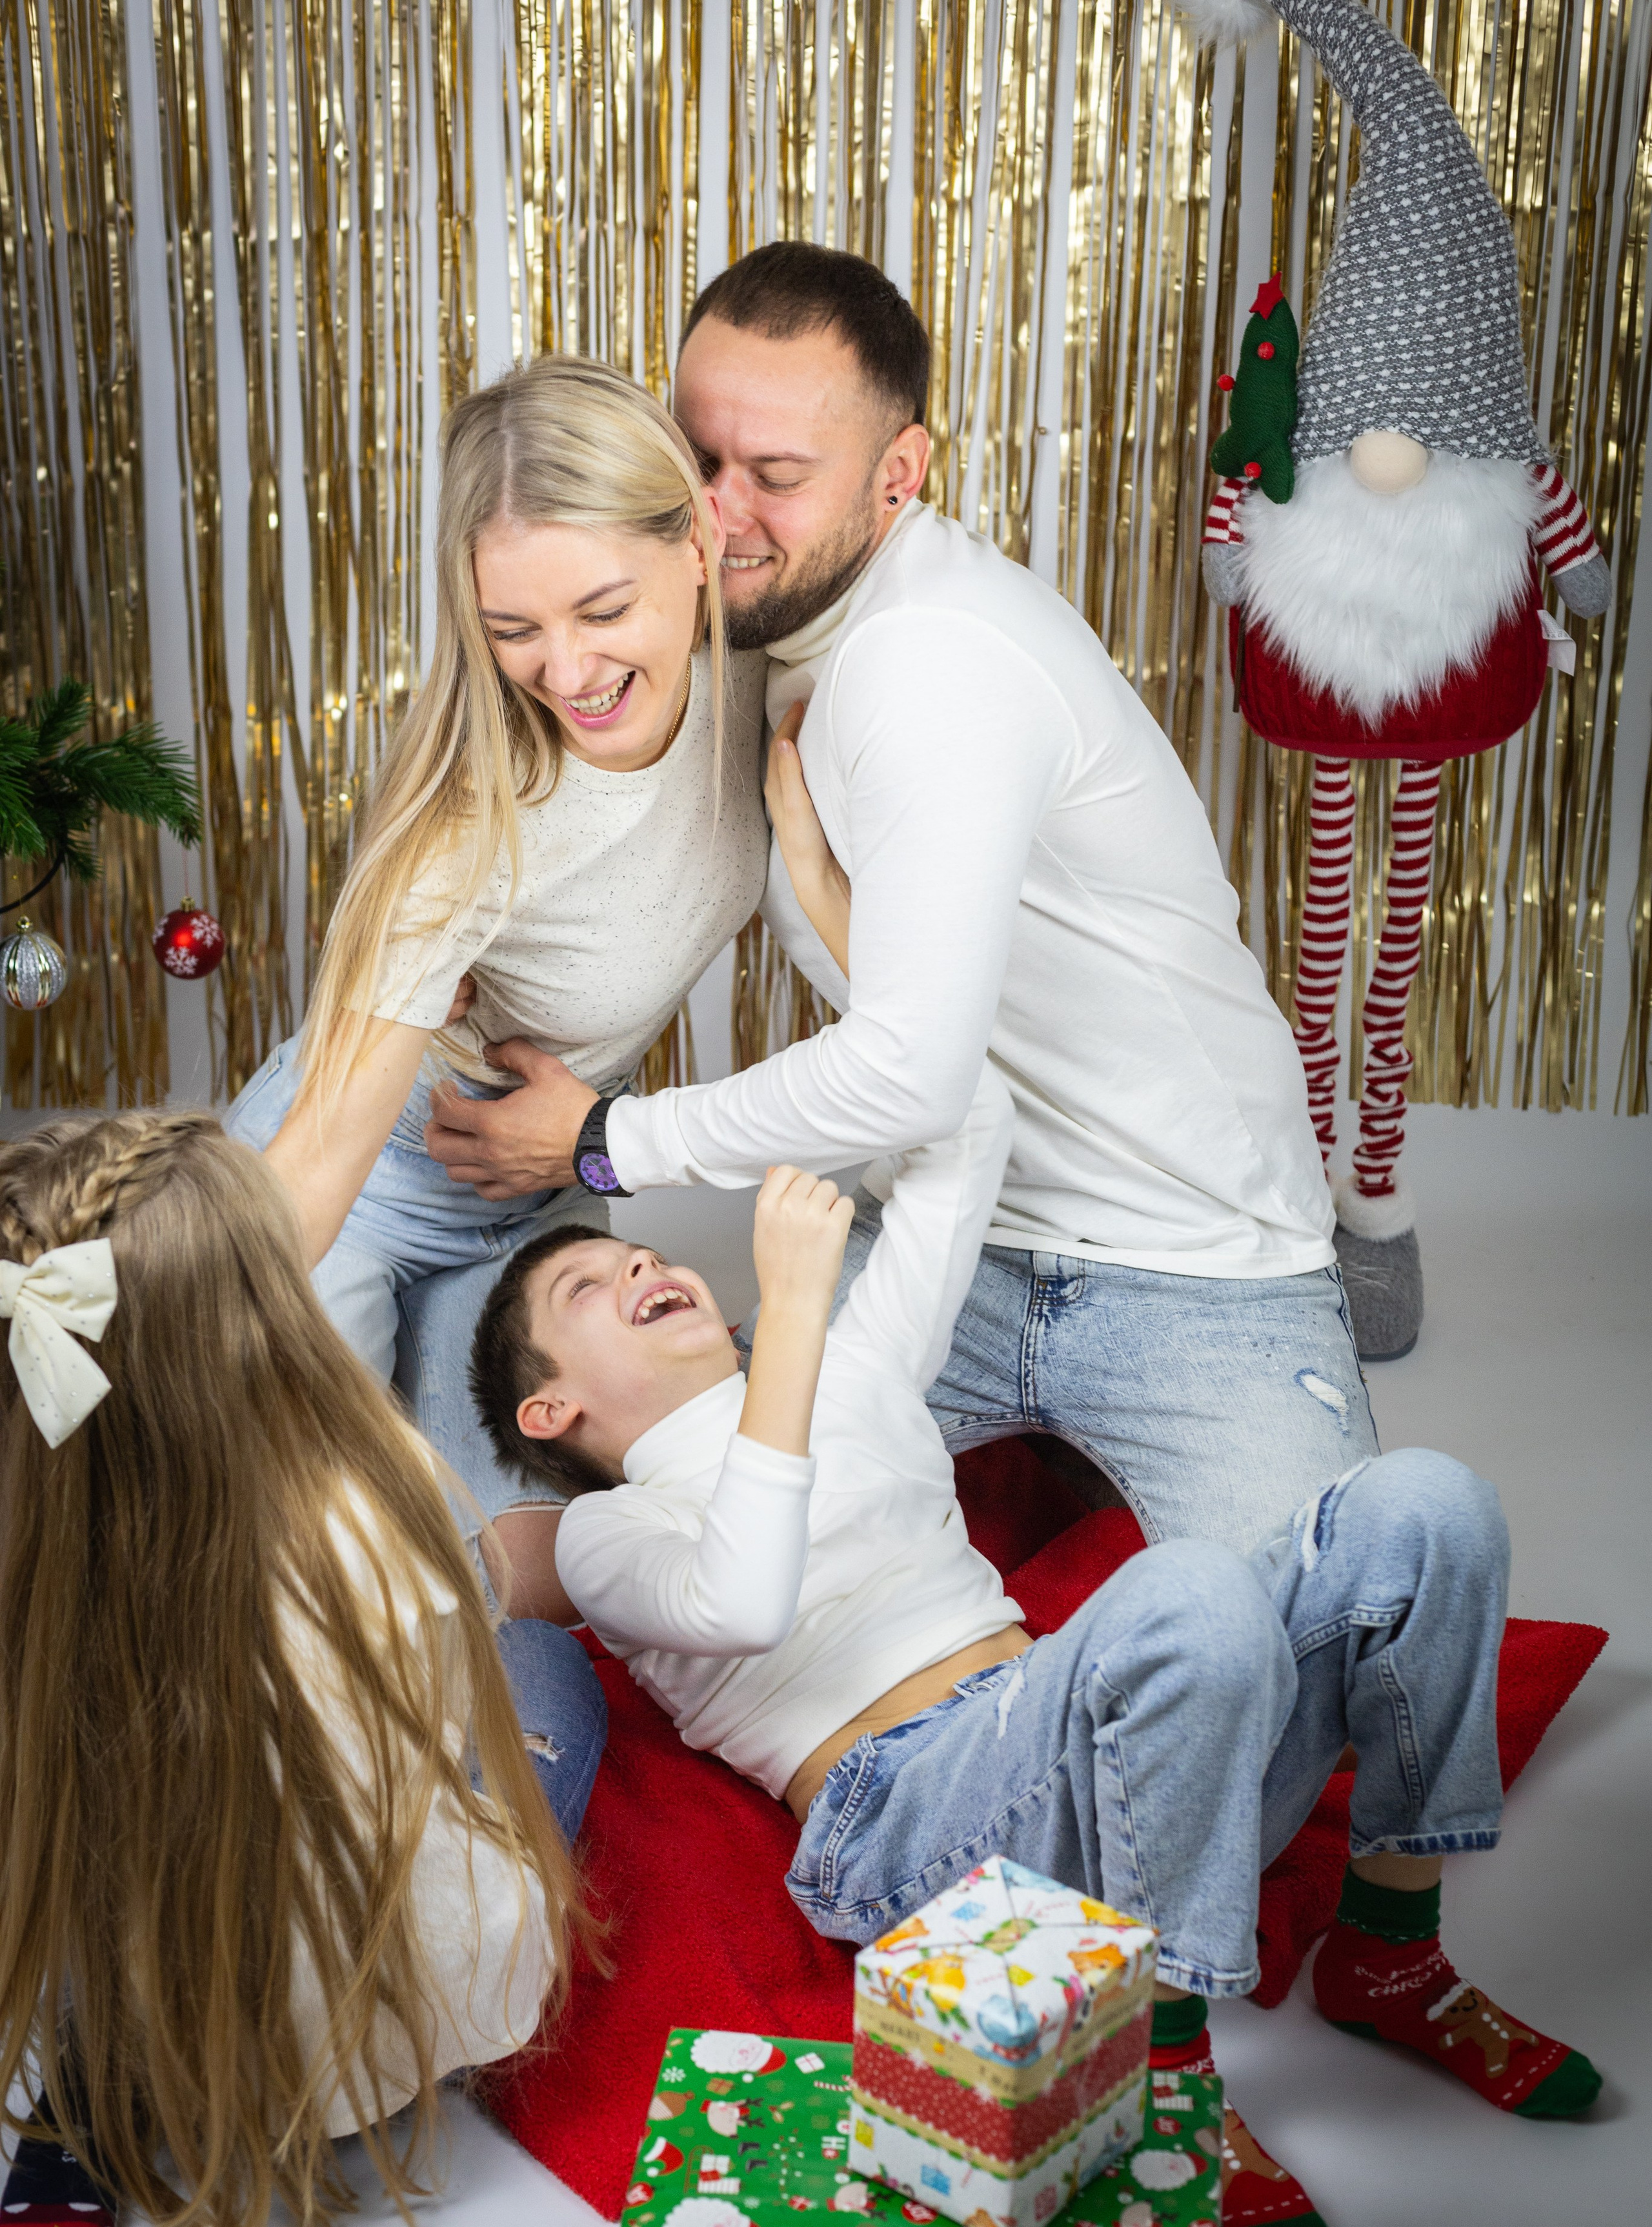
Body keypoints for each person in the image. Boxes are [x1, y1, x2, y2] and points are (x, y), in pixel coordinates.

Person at [467, 808, 1600, 2227]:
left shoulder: (853, 1371)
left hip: (1128, 1765)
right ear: (552, 1404)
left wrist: (826, 904)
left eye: (637, 1251)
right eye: (592, 1287)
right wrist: (794, 1312)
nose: (641, 1264)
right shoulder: (614, 1535)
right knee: (1187, 1588)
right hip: (918, 1836)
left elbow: (970, 1127)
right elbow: (742, 1590)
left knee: (1422, 1505)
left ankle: (1391, 1949)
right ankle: (1160, 2067)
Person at [425, 242, 1371, 1564]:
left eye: (777, 476)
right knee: (692, 1561)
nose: (720, 512)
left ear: (898, 475)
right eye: (695, 459)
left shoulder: (925, 665)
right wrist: (462, 950)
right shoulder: (726, 620)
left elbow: (914, 1075)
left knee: (1304, 1661)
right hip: (941, 1231)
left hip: (1190, 1258)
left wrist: (600, 1140)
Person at [0, 1112, 602, 2227]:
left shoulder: (27, 1538)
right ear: (267, 1309)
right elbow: (427, 1739)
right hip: (346, 2048)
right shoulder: (379, 1507)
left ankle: (77, 2082)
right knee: (548, 1674)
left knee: (88, 1794)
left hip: (117, 1960)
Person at [227, 355, 769, 1612]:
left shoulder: (771, 678)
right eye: (512, 631)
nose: (565, 671)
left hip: (534, 1200)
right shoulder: (472, 820)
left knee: (524, 1588)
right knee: (313, 1561)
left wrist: (583, 1148)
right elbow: (317, 1160)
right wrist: (171, 1347)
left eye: (597, 610)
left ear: (694, 539)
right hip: (359, 1192)